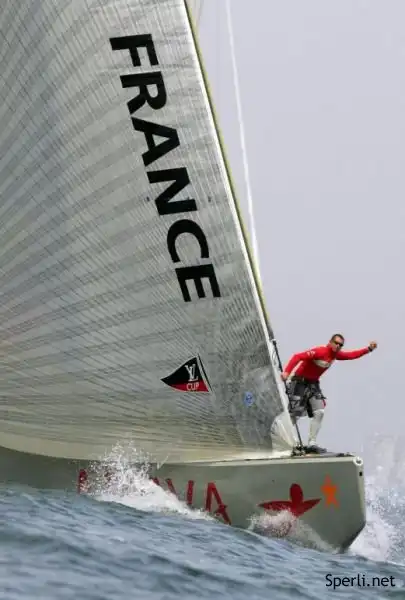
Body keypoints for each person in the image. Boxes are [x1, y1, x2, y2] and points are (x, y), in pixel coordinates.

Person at [281, 334, 377, 452]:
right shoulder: (320, 351)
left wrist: (368, 349)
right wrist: (287, 372)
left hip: (313, 384)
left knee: (319, 412)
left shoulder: (336, 355)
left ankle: (312, 443)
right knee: (295, 413)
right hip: (299, 382)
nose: (338, 346)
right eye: (336, 343)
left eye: (340, 345)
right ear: (330, 342)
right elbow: (297, 356)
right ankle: (284, 439)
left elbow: (351, 355)